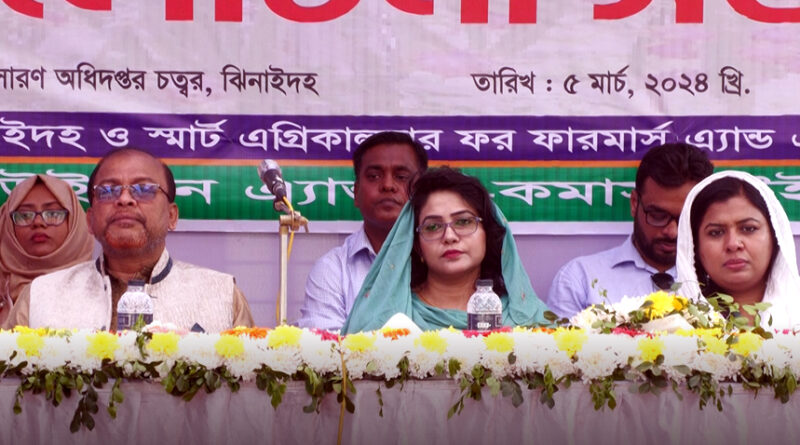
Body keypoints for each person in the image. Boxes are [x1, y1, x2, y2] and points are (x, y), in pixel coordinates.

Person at [2, 148, 254, 332]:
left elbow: (250, 386)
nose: (124, 199)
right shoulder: (40, 296)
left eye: (144, 189)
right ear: (90, 220)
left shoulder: (221, 294)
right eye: (108, 191)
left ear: (172, 216)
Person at [342, 167, 549, 333]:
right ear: (417, 246)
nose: (449, 236)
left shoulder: (530, 319)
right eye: (433, 226)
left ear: (487, 233)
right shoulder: (385, 321)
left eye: (464, 222)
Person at [545, 143, 714, 319]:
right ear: (634, 203)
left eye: (686, 218)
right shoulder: (580, 279)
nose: (672, 232)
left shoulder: (720, 279)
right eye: (658, 215)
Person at [298, 131, 428, 330]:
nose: (388, 185)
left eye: (401, 177)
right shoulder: (333, 269)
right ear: (356, 193)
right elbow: (323, 347)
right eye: (374, 176)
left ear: (422, 191)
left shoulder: (442, 258)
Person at [676, 170, 800, 329]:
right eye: (716, 232)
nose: (733, 244)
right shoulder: (664, 323)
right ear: (694, 245)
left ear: (775, 236)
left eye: (749, 228)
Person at [0, 175, 94, 324]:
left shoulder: (99, 285)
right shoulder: (3, 288)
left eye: (53, 214)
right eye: (25, 215)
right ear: (8, 225)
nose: (38, 222)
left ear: (74, 222)